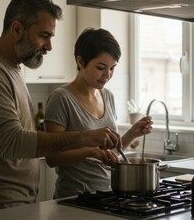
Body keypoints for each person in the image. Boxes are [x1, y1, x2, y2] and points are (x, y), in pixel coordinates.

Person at [0, 0, 122, 215]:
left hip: (16, 202)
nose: (49, 46)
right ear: (17, 29)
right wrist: (85, 138)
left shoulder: (11, 69)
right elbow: (10, 142)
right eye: (44, 35)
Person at [44, 28, 153, 199]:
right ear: (80, 61)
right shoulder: (61, 99)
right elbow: (52, 157)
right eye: (101, 67)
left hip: (108, 196)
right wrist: (90, 151)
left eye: (112, 68)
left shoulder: (107, 96)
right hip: (74, 199)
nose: (107, 75)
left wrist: (132, 133)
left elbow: (111, 153)